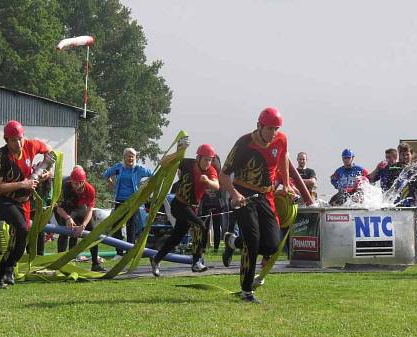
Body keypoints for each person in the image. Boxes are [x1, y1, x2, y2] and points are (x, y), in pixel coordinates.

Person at [220, 107, 293, 303]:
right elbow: (224, 175)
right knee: (252, 241)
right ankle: (246, 291)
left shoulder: (281, 139)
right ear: (259, 126)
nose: (273, 133)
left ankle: (232, 242)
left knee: (271, 245)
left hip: (265, 195)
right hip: (243, 193)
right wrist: (234, 194)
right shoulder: (244, 144)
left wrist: (286, 183)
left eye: (276, 128)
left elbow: (284, 156)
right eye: (269, 128)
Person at [0, 120, 52, 289]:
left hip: (23, 201)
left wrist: (46, 172)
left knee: (20, 241)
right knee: (21, 228)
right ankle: (5, 271)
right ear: (6, 140)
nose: (18, 143)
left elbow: (50, 154)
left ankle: (1, 276)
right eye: (13, 140)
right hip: (4, 199)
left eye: (20, 138)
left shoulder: (31, 145)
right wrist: (23, 184)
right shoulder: (2, 157)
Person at [150, 142, 219, 276]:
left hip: (193, 208)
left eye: (210, 160)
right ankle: (196, 262)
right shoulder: (187, 163)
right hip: (179, 205)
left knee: (175, 238)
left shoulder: (211, 171)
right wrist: (178, 153)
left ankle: (156, 259)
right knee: (200, 226)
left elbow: (216, 186)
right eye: (205, 159)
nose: (208, 163)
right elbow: (163, 162)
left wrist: (207, 181)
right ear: (198, 158)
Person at [103, 148, 153, 258]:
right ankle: (119, 252)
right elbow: (105, 174)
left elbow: (153, 175)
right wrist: (111, 183)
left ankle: (129, 251)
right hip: (119, 200)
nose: (130, 158)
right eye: (128, 156)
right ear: (124, 157)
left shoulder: (139, 169)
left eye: (132, 156)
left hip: (133, 201)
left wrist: (146, 188)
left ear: (135, 158)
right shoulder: (118, 167)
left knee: (131, 226)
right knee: (116, 226)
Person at [54, 166, 105, 272]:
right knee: (65, 232)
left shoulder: (90, 189)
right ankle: (60, 264)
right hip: (65, 209)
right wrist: (68, 218)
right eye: (73, 182)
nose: (74, 185)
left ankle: (95, 263)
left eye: (77, 183)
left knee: (92, 234)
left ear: (83, 182)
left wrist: (84, 225)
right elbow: (58, 209)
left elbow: (89, 210)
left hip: (80, 208)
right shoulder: (66, 186)